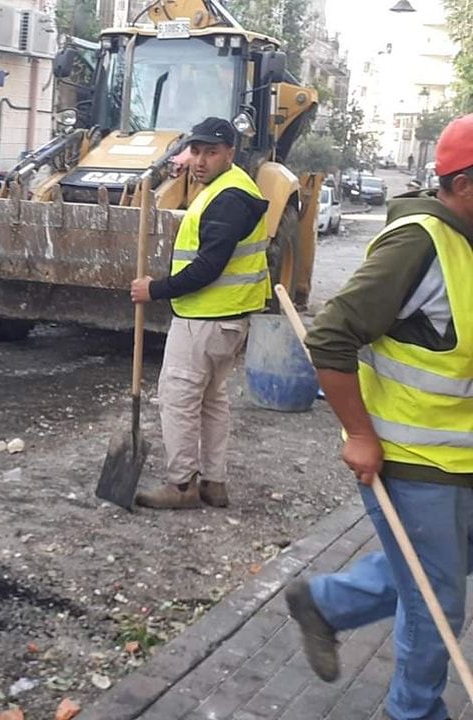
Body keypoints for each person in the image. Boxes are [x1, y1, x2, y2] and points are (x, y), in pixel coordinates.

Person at [286, 113, 473, 720]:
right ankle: (412, 712)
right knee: (437, 600)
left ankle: (327, 602)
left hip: (460, 454)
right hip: (411, 457)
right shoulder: (420, 243)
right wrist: (361, 435)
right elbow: (332, 337)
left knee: (430, 573)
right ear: (466, 185)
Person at [130, 117, 270, 509]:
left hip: (205, 321)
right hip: (228, 320)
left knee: (178, 398)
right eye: (196, 151)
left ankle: (181, 486)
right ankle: (213, 482)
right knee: (211, 400)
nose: (200, 160)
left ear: (230, 153)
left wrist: (153, 289)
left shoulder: (227, 199)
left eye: (211, 152)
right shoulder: (234, 187)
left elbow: (208, 267)